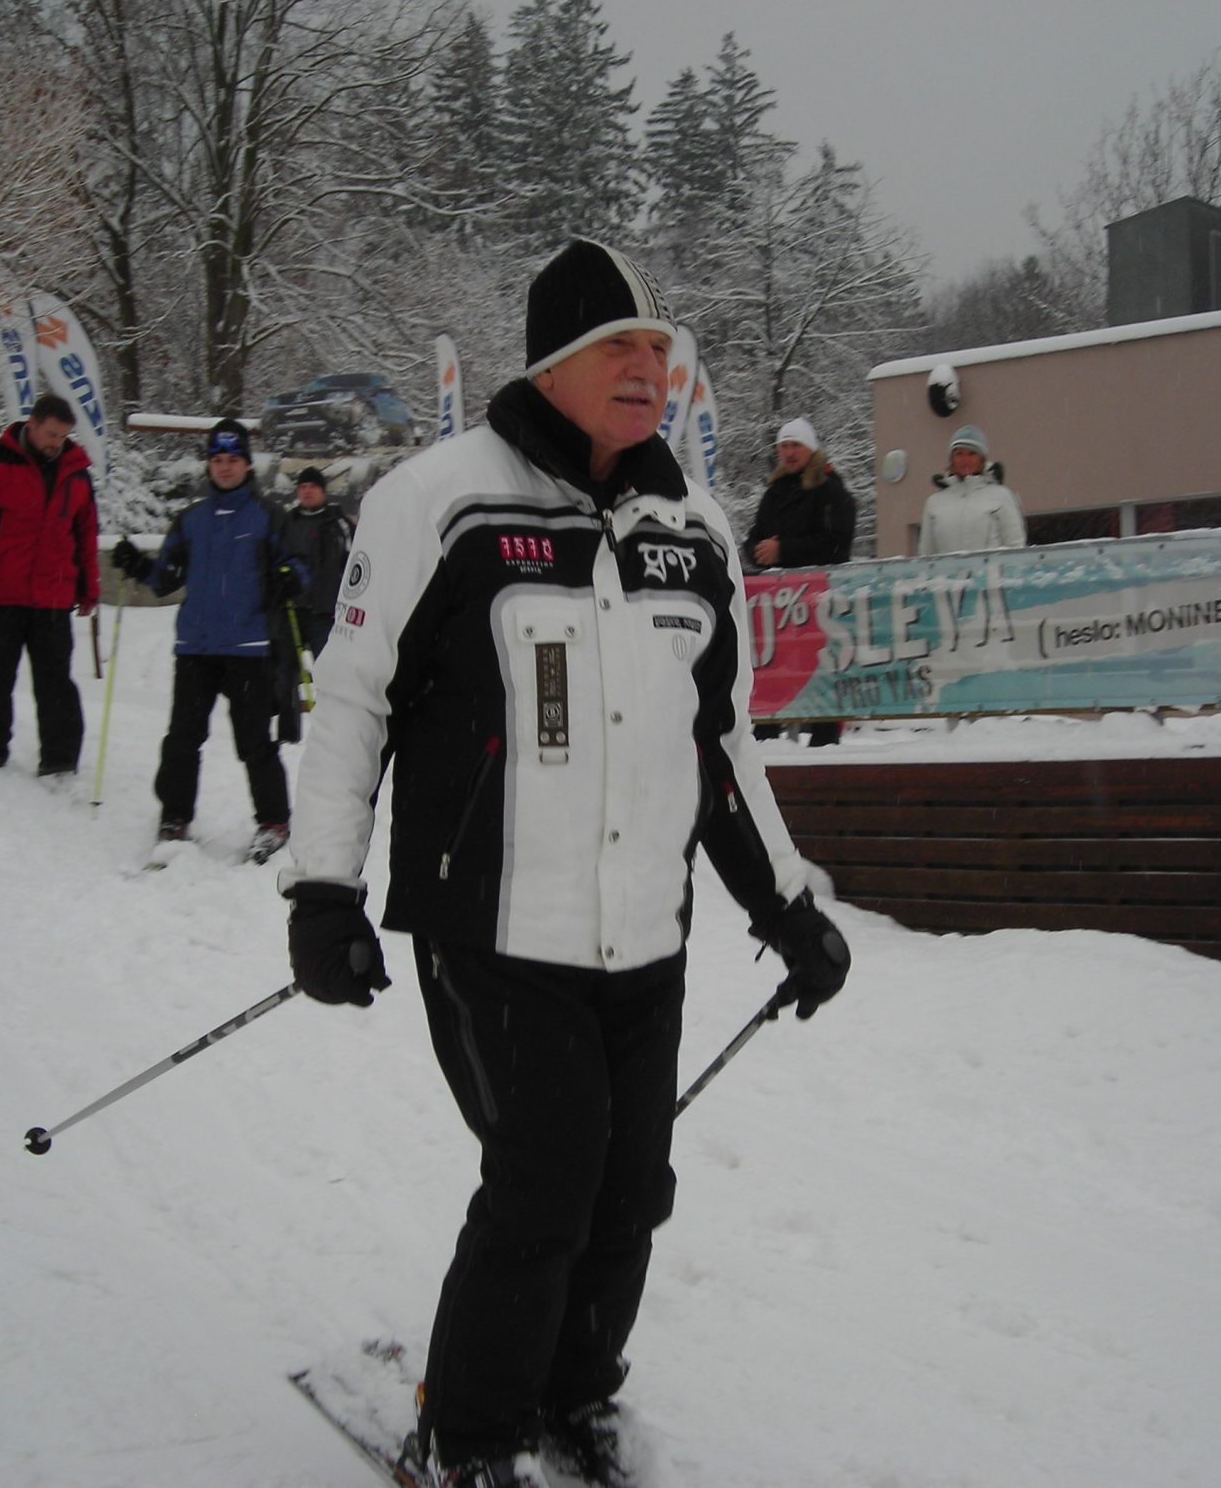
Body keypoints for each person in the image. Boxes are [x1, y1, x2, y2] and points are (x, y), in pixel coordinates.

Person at [279, 238, 851, 1488]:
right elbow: (354, 705)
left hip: (645, 930)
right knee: (544, 1183)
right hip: (491, 925)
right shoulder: (438, 502)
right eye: (620, 348)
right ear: (552, 363)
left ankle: (573, 1397)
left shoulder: (689, 530)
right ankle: (472, 1435)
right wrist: (323, 889)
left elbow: (720, 744)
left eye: (660, 349)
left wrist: (787, 905)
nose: (649, 369)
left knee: (629, 1187)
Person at [111, 419, 308, 861]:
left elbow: (299, 568)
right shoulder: (191, 520)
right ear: (209, 465)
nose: (224, 468)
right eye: (217, 460)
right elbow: (165, 578)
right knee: (182, 737)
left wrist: (286, 578)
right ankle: (174, 817)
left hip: (249, 648)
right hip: (196, 648)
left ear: (246, 464)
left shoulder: (268, 516)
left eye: (232, 460)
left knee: (255, 741)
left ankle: (274, 821)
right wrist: (137, 566)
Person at [0, 394, 98, 775]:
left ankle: (60, 761)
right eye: (50, 434)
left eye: (62, 437)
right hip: (0, 592)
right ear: (32, 424)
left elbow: (86, 534)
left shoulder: (76, 473)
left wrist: (89, 588)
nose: (55, 443)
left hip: (53, 595)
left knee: (56, 683)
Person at [742, 417, 856, 746]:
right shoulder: (774, 493)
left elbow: (837, 543)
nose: (789, 452)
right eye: (784, 446)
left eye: (795, 446)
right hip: (777, 605)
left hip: (818, 603)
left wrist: (784, 549)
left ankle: (824, 738)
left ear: (810, 449)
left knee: (820, 672)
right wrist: (758, 553)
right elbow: (754, 538)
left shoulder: (831, 489)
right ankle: (767, 734)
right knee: (776, 671)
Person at [919, 423, 1025, 555]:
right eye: (959, 454)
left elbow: (1015, 547)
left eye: (972, 454)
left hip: (991, 575)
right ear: (952, 459)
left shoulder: (1001, 496)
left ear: (982, 459)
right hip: (947, 576)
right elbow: (926, 555)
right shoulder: (934, 503)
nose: (965, 460)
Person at [287, 465, 352, 656]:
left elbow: (351, 566)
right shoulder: (287, 523)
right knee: (282, 674)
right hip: (292, 611)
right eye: (303, 486)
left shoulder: (339, 524)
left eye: (312, 486)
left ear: (323, 491)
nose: (307, 491)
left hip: (326, 613)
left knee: (328, 669)